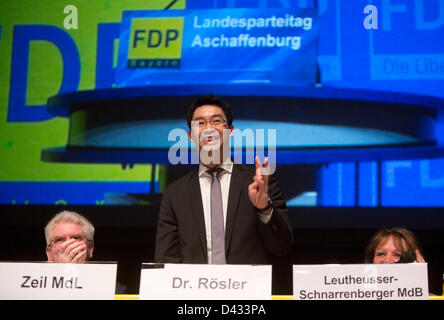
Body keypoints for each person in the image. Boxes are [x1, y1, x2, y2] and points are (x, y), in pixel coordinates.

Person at [155, 94, 294, 264]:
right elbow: (166, 259)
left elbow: (282, 247)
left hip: (246, 288)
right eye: (200, 123)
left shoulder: (259, 183)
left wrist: (264, 209)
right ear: (191, 136)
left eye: (216, 121)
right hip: (194, 288)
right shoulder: (175, 193)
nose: (209, 128)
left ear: (231, 131)